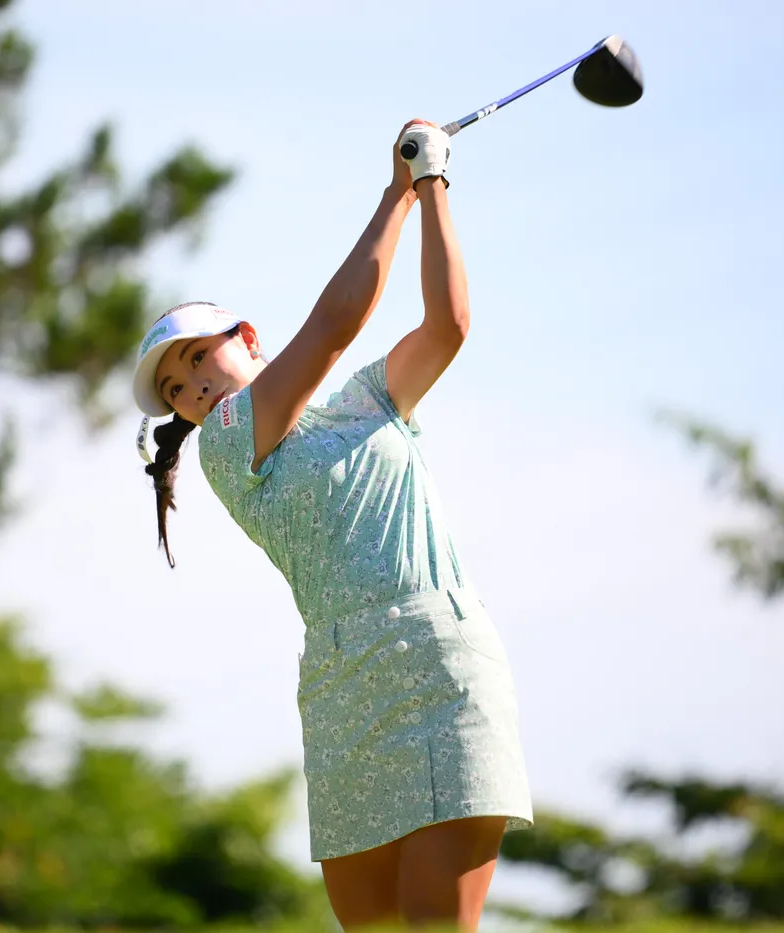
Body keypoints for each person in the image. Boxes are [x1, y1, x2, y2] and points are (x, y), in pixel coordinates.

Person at [130, 119, 532, 931]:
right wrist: (395, 194)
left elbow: (448, 326)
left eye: (199, 358)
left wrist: (431, 185)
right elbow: (336, 323)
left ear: (247, 339)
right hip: (342, 690)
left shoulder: (369, 399)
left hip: (441, 660)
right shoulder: (227, 443)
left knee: (435, 923)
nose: (192, 388)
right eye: (174, 388)